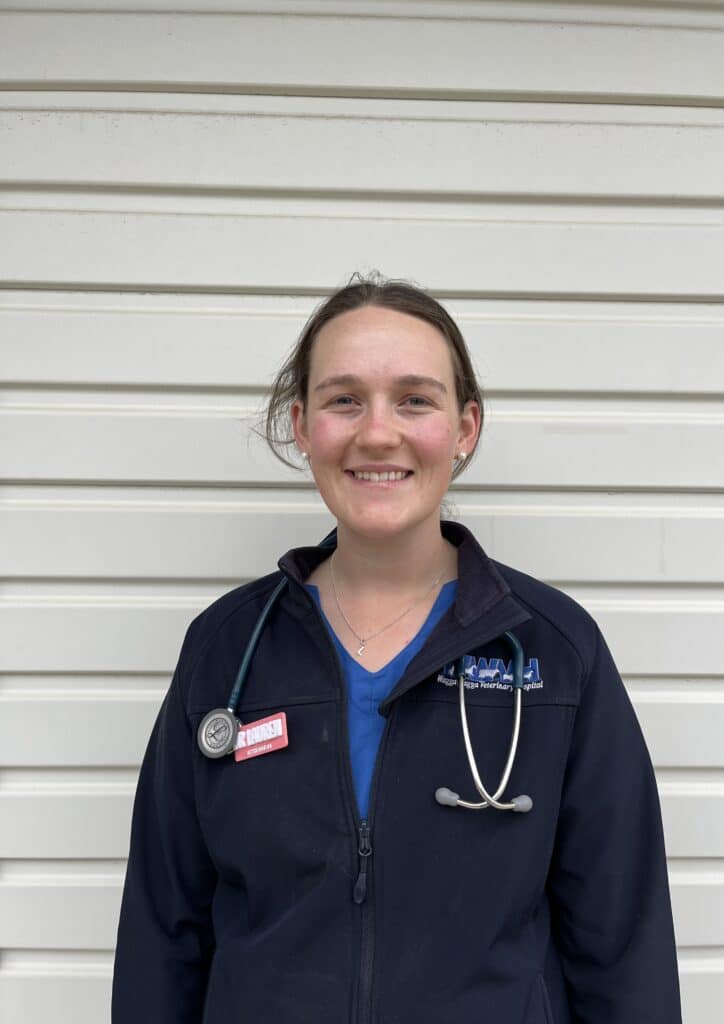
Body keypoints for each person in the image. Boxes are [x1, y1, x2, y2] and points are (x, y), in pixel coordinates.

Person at [112, 274, 682, 1023]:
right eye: (344, 399)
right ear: (303, 424)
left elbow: (623, 945)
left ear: (466, 428)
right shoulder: (226, 649)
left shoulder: (554, 650)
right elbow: (163, 934)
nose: (378, 433)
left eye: (415, 399)